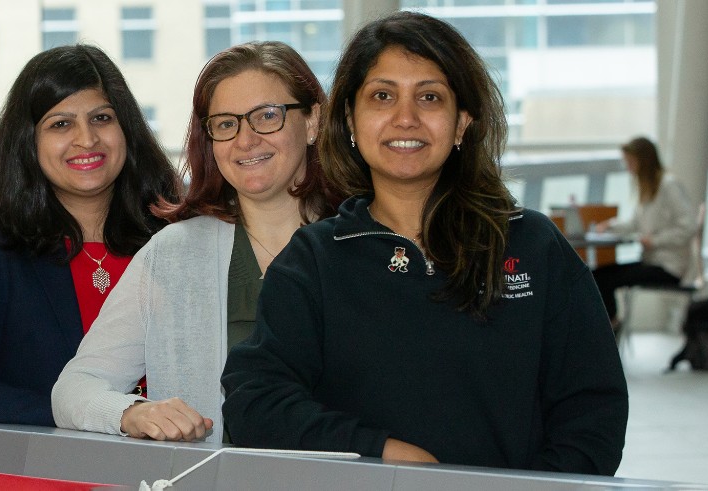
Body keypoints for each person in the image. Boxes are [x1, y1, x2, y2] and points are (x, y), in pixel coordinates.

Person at [220, 11, 628, 475]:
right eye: (382, 96)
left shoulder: (532, 244)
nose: (405, 118)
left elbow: (593, 410)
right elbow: (257, 401)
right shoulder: (314, 259)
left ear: (461, 123)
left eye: (429, 97)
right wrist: (381, 453)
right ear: (350, 119)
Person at [52, 41, 344, 443]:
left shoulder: (363, 242)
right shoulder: (172, 254)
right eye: (226, 124)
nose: (246, 140)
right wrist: (132, 413)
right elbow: (74, 388)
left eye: (267, 116)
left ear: (313, 122)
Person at [0, 44, 180, 426]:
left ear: (127, 128)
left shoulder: (177, 233)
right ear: (28, 142)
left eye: (101, 118)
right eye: (60, 124)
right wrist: (75, 413)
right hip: (57, 472)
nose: (87, 139)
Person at [592, 136, 698, 328]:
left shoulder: (669, 185)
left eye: (630, 162)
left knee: (604, 279)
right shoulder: (648, 189)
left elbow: (689, 226)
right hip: (653, 260)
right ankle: (610, 324)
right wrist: (610, 226)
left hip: (668, 266)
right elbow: (635, 223)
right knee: (599, 274)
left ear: (644, 161)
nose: (628, 167)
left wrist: (656, 241)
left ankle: (611, 326)